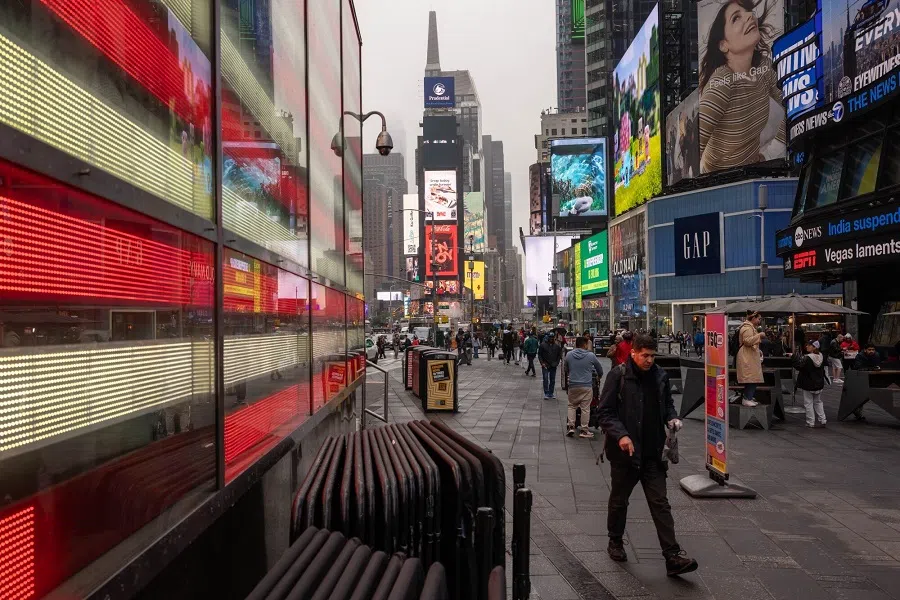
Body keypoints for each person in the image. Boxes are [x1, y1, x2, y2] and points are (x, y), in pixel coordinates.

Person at [598, 334, 698, 576]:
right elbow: (604, 412)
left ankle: (672, 556)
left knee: (660, 503)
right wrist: (621, 435)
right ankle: (615, 541)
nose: (649, 360)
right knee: (620, 500)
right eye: (645, 355)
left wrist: (672, 418)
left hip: (653, 453)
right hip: (625, 455)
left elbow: (667, 405)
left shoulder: (660, 376)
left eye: (653, 356)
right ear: (633, 353)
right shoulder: (618, 375)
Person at [698, 0, 783, 174]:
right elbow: (691, 153)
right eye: (736, 18)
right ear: (723, 44)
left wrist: (771, 153)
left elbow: (796, 105)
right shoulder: (721, 82)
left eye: (748, 11)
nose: (749, 16)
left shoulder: (764, 68)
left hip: (752, 175)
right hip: (718, 185)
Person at [565, 336, 604, 438]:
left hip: (573, 385)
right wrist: (599, 376)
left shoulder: (569, 355)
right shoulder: (591, 355)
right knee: (585, 408)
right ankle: (584, 430)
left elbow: (566, 368)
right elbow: (599, 369)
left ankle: (571, 427)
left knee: (572, 406)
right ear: (584, 344)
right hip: (586, 385)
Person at [793, 339, 827, 428]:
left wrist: (793, 358)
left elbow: (799, 366)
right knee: (818, 402)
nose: (807, 346)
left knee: (808, 403)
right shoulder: (821, 356)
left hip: (808, 383)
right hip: (819, 383)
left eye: (809, 345)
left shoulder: (808, 358)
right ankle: (822, 419)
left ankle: (810, 422)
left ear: (814, 347)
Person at [736, 311, 765, 407]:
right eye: (758, 318)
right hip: (747, 356)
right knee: (751, 378)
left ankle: (748, 397)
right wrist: (759, 335)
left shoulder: (749, 327)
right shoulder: (747, 328)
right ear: (753, 318)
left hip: (749, 356)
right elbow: (747, 341)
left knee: (752, 378)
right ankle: (747, 398)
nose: (759, 320)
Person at [538, 332, 563, 399]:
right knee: (545, 379)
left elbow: (559, 355)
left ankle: (551, 393)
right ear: (548, 337)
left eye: (552, 337)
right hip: (545, 364)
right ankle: (546, 392)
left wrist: (557, 363)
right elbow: (539, 354)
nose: (551, 339)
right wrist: (542, 363)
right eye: (550, 337)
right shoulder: (543, 345)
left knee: (552, 380)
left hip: (553, 365)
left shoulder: (557, 347)